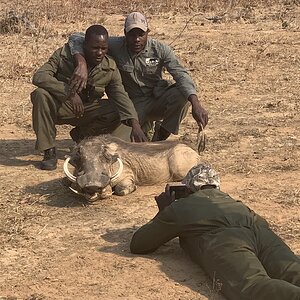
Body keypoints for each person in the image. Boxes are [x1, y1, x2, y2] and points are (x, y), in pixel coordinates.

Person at [130, 163, 300, 300]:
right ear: (216, 187)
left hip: (225, 239)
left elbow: (139, 244)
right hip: (261, 232)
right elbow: (262, 223)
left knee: (252, 286)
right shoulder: (234, 202)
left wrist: (164, 213)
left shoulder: (180, 208)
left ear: (188, 189)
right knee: (293, 270)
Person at [68, 12, 208, 141]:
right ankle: (85, 132)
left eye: (141, 34)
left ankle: (160, 136)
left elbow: (181, 74)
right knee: (118, 144)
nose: (136, 39)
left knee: (183, 95)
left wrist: (196, 103)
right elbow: (76, 37)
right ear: (125, 34)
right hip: (132, 105)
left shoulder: (160, 50)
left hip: (156, 99)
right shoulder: (116, 45)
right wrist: (81, 63)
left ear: (148, 33)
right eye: (132, 35)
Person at [31, 24, 147, 171]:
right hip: (63, 108)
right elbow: (39, 76)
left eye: (103, 49)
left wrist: (135, 123)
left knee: (117, 108)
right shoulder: (64, 55)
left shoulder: (109, 67)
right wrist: (69, 93)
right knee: (40, 94)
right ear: (84, 45)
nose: (99, 53)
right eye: (94, 48)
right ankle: (48, 150)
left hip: (87, 110)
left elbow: (120, 95)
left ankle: (84, 134)